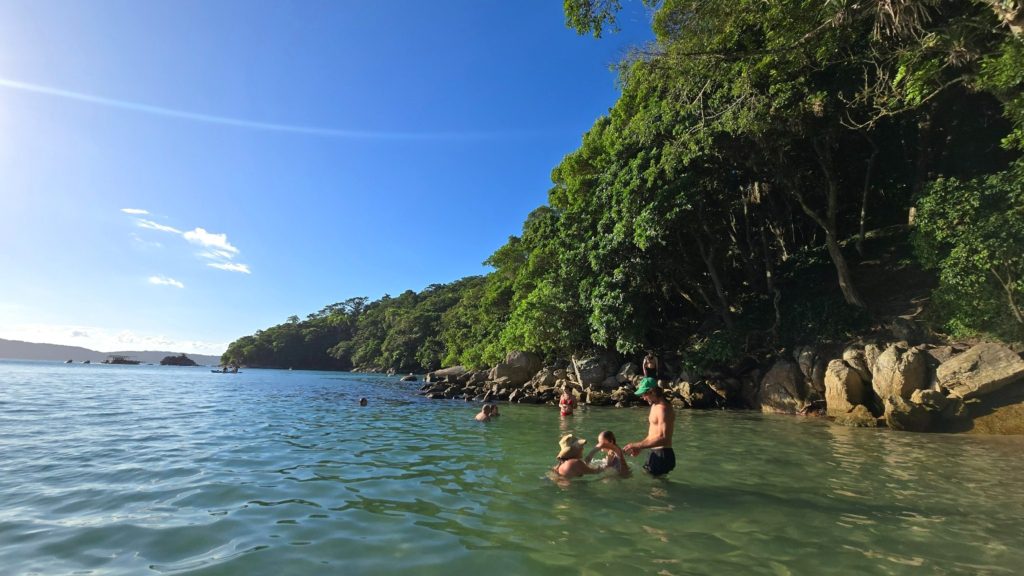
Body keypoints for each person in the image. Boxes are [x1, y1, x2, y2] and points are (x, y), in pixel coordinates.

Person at [623, 377, 676, 476]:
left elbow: (664, 438)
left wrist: (636, 445)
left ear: (652, 391)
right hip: (655, 452)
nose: (643, 398)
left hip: (662, 453)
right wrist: (640, 447)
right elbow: (653, 434)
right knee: (650, 483)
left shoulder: (663, 409)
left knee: (656, 488)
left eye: (644, 394)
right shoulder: (654, 406)